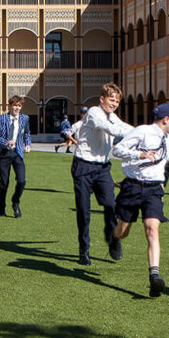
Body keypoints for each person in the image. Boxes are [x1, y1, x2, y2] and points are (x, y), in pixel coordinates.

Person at [111, 103, 169, 296]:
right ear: (166, 119)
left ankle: (154, 276)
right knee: (123, 231)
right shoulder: (142, 131)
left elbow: (164, 161)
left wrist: (160, 181)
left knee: (152, 228)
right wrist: (139, 154)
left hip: (154, 189)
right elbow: (117, 150)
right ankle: (115, 238)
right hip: (133, 187)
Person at [68, 83, 133, 265]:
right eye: (111, 100)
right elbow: (111, 129)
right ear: (102, 98)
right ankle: (84, 250)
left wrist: (144, 133)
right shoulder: (94, 113)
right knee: (83, 210)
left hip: (102, 168)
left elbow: (124, 127)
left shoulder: (112, 116)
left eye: (117, 101)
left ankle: (113, 239)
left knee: (111, 205)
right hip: (83, 166)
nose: (114, 104)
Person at [0, 96, 32, 218]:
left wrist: (28, 144)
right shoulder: (2, 118)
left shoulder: (24, 118)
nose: (17, 108)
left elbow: (27, 133)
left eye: (19, 106)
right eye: (15, 105)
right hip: (4, 154)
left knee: (22, 180)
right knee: (4, 182)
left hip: (17, 153)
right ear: (10, 106)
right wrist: (6, 142)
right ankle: (1, 207)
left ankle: (15, 202)